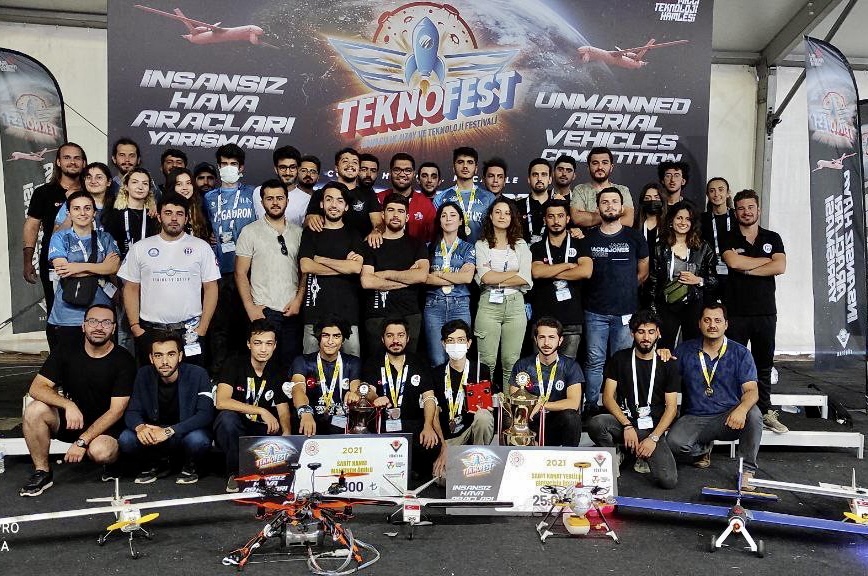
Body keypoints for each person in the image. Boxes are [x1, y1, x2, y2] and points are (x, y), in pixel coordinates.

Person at [20, 304, 136, 496]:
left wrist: (82, 441)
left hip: (106, 427)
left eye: (106, 323)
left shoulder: (123, 360)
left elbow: (116, 410)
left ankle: (113, 463)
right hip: (73, 420)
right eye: (93, 321)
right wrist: (68, 404)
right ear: (83, 326)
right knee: (34, 410)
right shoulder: (66, 350)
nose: (99, 327)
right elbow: (36, 388)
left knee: (100, 452)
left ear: (114, 328)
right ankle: (42, 472)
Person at [666, 304, 763, 489]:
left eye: (718, 321)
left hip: (728, 417)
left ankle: (747, 471)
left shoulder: (740, 353)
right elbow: (664, 375)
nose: (712, 325)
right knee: (673, 444)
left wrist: (741, 410)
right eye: (707, 320)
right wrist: (661, 353)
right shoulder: (684, 350)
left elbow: (752, 391)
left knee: (754, 414)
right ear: (699, 324)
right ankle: (701, 450)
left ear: (726, 324)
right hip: (695, 417)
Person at [119, 193, 220, 366]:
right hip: (151, 331)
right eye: (168, 213)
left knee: (191, 377)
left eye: (179, 214)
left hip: (190, 331)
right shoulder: (140, 248)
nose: (174, 218)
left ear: (186, 218)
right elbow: (130, 288)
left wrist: (203, 328)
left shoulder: (201, 247)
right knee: (151, 379)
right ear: (159, 216)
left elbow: (211, 288)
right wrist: (135, 327)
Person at [721, 189, 788, 434]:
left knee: (763, 365)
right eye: (741, 208)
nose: (746, 212)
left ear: (758, 210)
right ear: (735, 212)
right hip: (736, 312)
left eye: (750, 207)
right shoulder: (728, 237)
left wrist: (747, 268)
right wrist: (765, 260)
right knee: (733, 364)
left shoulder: (773, 237)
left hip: (765, 312)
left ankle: (765, 411)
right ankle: (732, 409)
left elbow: (780, 266)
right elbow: (733, 262)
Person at [588, 310, 678, 488]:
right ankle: (613, 454)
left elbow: (672, 408)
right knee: (597, 423)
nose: (646, 337)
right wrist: (627, 425)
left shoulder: (668, 364)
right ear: (632, 334)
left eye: (651, 332)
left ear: (658, 334)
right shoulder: (620, 358)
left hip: (652, 429)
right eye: (641, 332)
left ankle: (638, 453)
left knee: (668, 481)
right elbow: (608, 398)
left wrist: (653, 438)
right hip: (625, 423)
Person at [582, 187, 649, 415]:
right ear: (598, 207)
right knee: (594, 361)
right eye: (605, 202)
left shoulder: (634, 237)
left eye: (614, 202)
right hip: (595, 312)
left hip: (625, 312)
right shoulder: (589, 239)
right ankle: (591, 405)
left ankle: (620, 405)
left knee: (621, 361)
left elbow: (643, 271)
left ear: (621, 207)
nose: (610, 206)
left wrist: (625, 289)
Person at [120, 332, 215, 484]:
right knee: (126, 439)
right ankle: (156, 464)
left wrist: (169, 431)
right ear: (151, 358)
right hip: (155, 434)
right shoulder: (143, 374)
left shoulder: (198, 374)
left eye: (171, 354)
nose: (165, 361)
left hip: (183, 432)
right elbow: (132, 411)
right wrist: (141, 427)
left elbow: (205, 414)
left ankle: (191, 465)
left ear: (180, 356)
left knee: (198, 439)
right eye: (158, 355)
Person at [214, 320, 292, 492]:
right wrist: (261, 410)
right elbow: (221, 401)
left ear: (275, 346)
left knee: (281, 429)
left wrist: (287, 433)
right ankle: (234, 473)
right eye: (258, 343)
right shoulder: (234, 364)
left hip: (261, 428)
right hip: (237, 426)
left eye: (268, 344)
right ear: (249, 344)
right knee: (227, 419)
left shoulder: (277, 371)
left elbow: (283, 410)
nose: (263, 349)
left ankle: (269, 472)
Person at [236, 179, 305, 371]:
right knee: (263, 368)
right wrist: (250, 308)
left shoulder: (299, 233)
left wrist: (298, 301)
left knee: (291, 367)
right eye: (270, 198)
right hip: (263, 310)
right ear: (262, 202)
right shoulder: (249, 231)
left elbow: (305, 272)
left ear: (287, 201)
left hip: (291, 310)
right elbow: (240, 272)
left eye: (280, 198)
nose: (275, 202)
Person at [205, 143, 258, 374]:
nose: (228, 168)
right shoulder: (208, 197)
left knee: (247, 325)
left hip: (250, 271)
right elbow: (204, 228)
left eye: (233, 164)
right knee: (220, 327)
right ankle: (219, 376)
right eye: (224, 164)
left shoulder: (253, 194)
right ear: (218, 167)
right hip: (220, 271)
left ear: (241, 168)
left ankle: (246, 374)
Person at [362, 319, 440, 475]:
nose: (395, 340)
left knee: (432, 445)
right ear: (382, 339)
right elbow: (368, 390)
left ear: (408, 338)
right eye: (390, 336)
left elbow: (429, 398)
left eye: (400, 335)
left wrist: (428, 426)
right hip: (384, 425)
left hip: (413, 423)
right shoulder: (373, 362)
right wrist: (375, 397)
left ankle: (412, 471)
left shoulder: (419, 361)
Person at [46, 191, 121, 352]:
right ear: (69, 213)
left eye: (87, 208)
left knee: (100, 362)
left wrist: (77, 267)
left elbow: (113, 267)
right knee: (68, 363)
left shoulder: (105, 238)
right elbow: (63, 269)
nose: (82, 213)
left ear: (94, 213)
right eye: (76, 208)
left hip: (102, 314)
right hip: (67, 316)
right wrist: (101, 267)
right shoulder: (60, 237)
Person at [298, 181, 365, 356]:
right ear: (321, 204)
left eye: (339, 201)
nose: (334, 205)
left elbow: (356, 268)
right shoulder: (311, 232)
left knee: (351, 364)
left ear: (346, 207)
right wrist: (344, 266)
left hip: (348, 313)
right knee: (310, 364)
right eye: (329, 199)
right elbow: (306, 266)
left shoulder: (354, 234)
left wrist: (321, 260)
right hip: (315, 313)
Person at [23, 142, 86, 327]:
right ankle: (57, 346)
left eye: (77, 158)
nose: (72, 162)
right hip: (54, 261)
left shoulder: (92, 189)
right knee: (55, 311)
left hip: (89, 260)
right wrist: (27, 261)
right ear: (58, 162)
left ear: (84, 163)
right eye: (67, 158)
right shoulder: (43, 192)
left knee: (91, 310)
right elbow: (32, 226)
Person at [474, 198, 533, 391]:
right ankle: (484, 407)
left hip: (515, 305)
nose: (502, 216)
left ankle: (509, 407)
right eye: (498, 212)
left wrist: (496, 278)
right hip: (489, 304)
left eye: (507, 213)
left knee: (511, 361)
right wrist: (513, 274)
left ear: (512, 218)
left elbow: (525, 278)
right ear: (491, 216)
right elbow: (485, 277)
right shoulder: (482, 245)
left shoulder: (521, 245)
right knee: (487, 362)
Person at [360, 193, 429, 356]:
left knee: (409, 364)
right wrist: (408, 279)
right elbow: (367, 281)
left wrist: (384, 274)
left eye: (401, 211)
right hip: (377, 314)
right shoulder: (371, 243)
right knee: (377, 364)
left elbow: (421, 276)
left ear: (407, 217)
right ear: (383, 215)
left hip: (410, 314)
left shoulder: (417, 244)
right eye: (391, 210)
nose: (396, 215)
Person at [530, 198, 593, 359]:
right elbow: (537, 272)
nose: (556, 221)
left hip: (572, 318)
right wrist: (568, 265)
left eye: (560, 216)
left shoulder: (580, 243)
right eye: (551, 216)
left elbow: (585, 272)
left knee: (567, 368)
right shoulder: (537, 247)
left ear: (568, 218)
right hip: (542, 320)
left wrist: (549, 271)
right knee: (541, 367)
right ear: (545, 219)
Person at [430, 320, 493, 478]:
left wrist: (491, 405)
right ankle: (462, 470)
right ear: (443, 344)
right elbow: (434, 413)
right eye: (450, 340)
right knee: (441, 477)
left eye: (461, 340)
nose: (456, 345)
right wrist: (443, 447)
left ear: (469, 343)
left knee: (484, 417)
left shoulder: (480, 370)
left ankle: (479, 464)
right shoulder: (436, 374)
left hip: (471, 432)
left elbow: (489, 402)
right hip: (449, 439)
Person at [650, 203, 718, 349]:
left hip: (693, 305)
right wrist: (652, 308)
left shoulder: (703, 247)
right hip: (666, 306)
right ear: (671, 221)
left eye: (688, 219)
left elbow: (714, 281)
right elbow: (653, 280)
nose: (683, 222)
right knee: (664, 348)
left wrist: (698, 280)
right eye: (679, 218)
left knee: (693, 348)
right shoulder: (660, 247)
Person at [509, 317, 583, 447]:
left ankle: (569, 456)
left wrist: (543, 405)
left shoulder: (571, 366)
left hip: (556, 423)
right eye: (542, 337)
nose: (546, 343)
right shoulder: (522, 365)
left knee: (572, 417)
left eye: (551, 337)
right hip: (530, 422)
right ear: (535, 339)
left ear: (560, 340)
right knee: (512, 416)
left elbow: (574, 403)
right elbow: (515, 401)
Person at [288, 317, 363, 435]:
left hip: (340, 425)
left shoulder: (352, 362)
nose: (330, 341)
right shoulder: (302, 361)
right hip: (309, 422)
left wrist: (355, 395)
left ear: (343, 340)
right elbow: (298, 389)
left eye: (336, 336)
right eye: (325, 336)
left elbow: (356, 388)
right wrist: (305, 411)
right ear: (319, 338)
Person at [424, 202, 476, 367]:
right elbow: (424, 278)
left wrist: (438, 274)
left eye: (453, 215)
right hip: (434, 305)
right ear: (439, 221)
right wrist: (455, 276)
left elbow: (467, 278)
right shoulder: (428, 247)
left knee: (458, 358)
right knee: (437, 359)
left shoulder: (468, 248)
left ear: (460, 221)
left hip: (459, 305)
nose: (448, 219)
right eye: (444, 215)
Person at [304, 148, 383, 241]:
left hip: (359, 248)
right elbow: (307, 222)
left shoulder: (369, 194)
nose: (350, 165)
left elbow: (378, 223)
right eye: (345, 161)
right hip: (326, 246)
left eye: (355, 162)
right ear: (336, 168)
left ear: (358, 169)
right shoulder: (320, 193)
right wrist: (311, 219)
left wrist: (377, 231)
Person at [433, 147, 496, 244]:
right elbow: (436, 232)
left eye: (470, 162)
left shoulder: (489, 198)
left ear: (476, 169)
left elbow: (495, 232)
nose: (465, 166)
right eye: (460, 162)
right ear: (453, 168)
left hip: (481, 252)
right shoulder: (440, 198)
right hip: (452, 252)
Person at [376, 153, 437, 243]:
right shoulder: (377, 199)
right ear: (390, 172)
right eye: (397, 170)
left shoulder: (425, 204)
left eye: (407, 170)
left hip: (416, 251)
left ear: (414, 174)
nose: (402, 174)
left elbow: (433, 238)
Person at [570, 147, 634, 228]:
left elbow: (628, 220)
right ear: (588, 168)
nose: (600, 167)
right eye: (595, 163)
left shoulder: (623, 190)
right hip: (588, 236)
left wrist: (592, 217)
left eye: (604, 163)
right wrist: (611, 217)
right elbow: (577, 219)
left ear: (611, 167)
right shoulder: (580, 190)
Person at [255, 145, 309, 226]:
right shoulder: (257, 192)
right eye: (283, 167)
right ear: (276, 169)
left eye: (292, 167)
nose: (288, 173)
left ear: (298, 169)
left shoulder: (306, 199)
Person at [701, 177, 736, 301]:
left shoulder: (737, 217)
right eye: (712, 191)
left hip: (734, 276)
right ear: (707, 195)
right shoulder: (701, 220)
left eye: (721, 190)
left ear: (728, 193)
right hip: (709, 276)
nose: (716, 194)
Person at [54, 162, 113, 233]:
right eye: (89, 177)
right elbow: (56, 234)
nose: (93, 181)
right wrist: (71, 216)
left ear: (109, 182)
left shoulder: (117, 205)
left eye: (99, 177)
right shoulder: (73, 202)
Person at [634, 182, 665, 308]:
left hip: (661, 283)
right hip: (639, 281)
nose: (652, 201)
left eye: (656, 198)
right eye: (647, 198)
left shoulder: (669, 227)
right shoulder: (634, 226)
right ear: (642, 202)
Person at [166, 167, 210, 241]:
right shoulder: (165, 211)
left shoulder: (199, 208)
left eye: (188, 183)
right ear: (172, 187)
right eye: (179, 184)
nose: (185, 188)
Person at [517, 158, 552, 245]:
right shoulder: (517, 206)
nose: (539, 179)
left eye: (544, 174)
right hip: (522, 252)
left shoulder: (558, 206)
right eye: (535, 174)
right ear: (529, 179)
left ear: (550, 179)